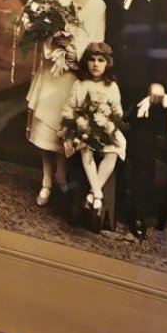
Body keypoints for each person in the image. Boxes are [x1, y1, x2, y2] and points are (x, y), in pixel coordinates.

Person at [99, 0, 167, 238]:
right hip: (114, 79)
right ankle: (107, 208)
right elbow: (104, 34)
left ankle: (138, 214)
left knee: (143, 149)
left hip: (146, 82)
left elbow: (165, 34)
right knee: (111, 142)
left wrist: (159, 80)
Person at [25, 0, 105, 207]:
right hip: (53, 73)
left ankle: (61, 175)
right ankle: (46, 181)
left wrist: (76, 54)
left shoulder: (99, 6)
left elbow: (97, 42)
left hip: (76, 77)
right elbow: (42, 33)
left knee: (65, 129)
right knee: (46, 130)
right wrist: (56, 43)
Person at [60, 43, 126, 226]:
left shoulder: (112, 87)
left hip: (103, 128)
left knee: (113, 150)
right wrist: (78, 121)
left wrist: (109, 123)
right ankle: (97, 194)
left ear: (107, 63)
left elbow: (118, 112)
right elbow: (68, 109)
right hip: (83, 129)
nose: (96, 64)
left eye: (100, 60)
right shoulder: (80, 84)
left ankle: (92, 194)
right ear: (86, 62)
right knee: (86, 146)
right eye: (92, 60)